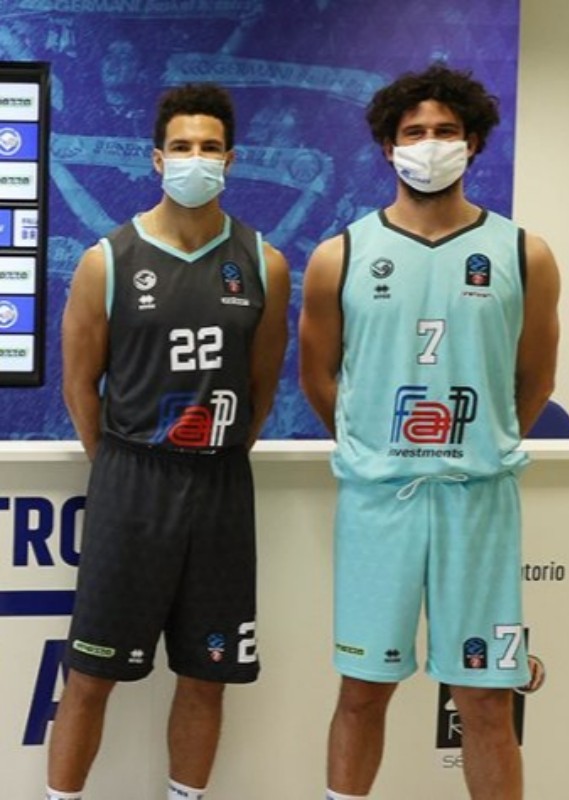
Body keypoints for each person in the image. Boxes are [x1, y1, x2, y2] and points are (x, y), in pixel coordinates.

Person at [299, 63, 560, 800]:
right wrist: (376, 450)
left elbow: (535, 381)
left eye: (446, 130)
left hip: (478, 504)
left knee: (485, 699)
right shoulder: (341, 255)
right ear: (389, 147)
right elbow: (318, 377)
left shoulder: (524, 254)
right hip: (379, 502)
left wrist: (475, 450)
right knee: (361, 691)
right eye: (414, 132)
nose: (430, 144)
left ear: (472, 142)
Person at [47, 82, 290, 800]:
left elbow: (262, 385)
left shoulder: (264, 264)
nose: (195, 158)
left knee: (208, 674)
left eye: (209, 147)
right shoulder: (107, 260)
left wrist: (216, 453)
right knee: (90, 674)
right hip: (132, 482)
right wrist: (121, 466)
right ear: (156, 159)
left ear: (230, 159)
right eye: (181, 147)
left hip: (219, 486)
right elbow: (79, 386)